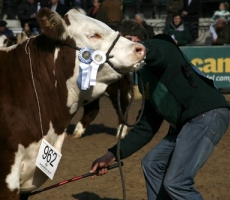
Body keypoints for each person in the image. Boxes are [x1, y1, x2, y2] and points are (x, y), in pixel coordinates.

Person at [90, 34, 230, 199]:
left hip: (207, 115)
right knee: (152, 163)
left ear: (137, 39)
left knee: (177, 182)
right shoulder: (146, 78)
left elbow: (158, 51)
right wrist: (111, 155)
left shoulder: (161, 46)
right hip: (187, 124)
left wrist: (143, 48)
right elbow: (146, 127)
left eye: (128, 42)